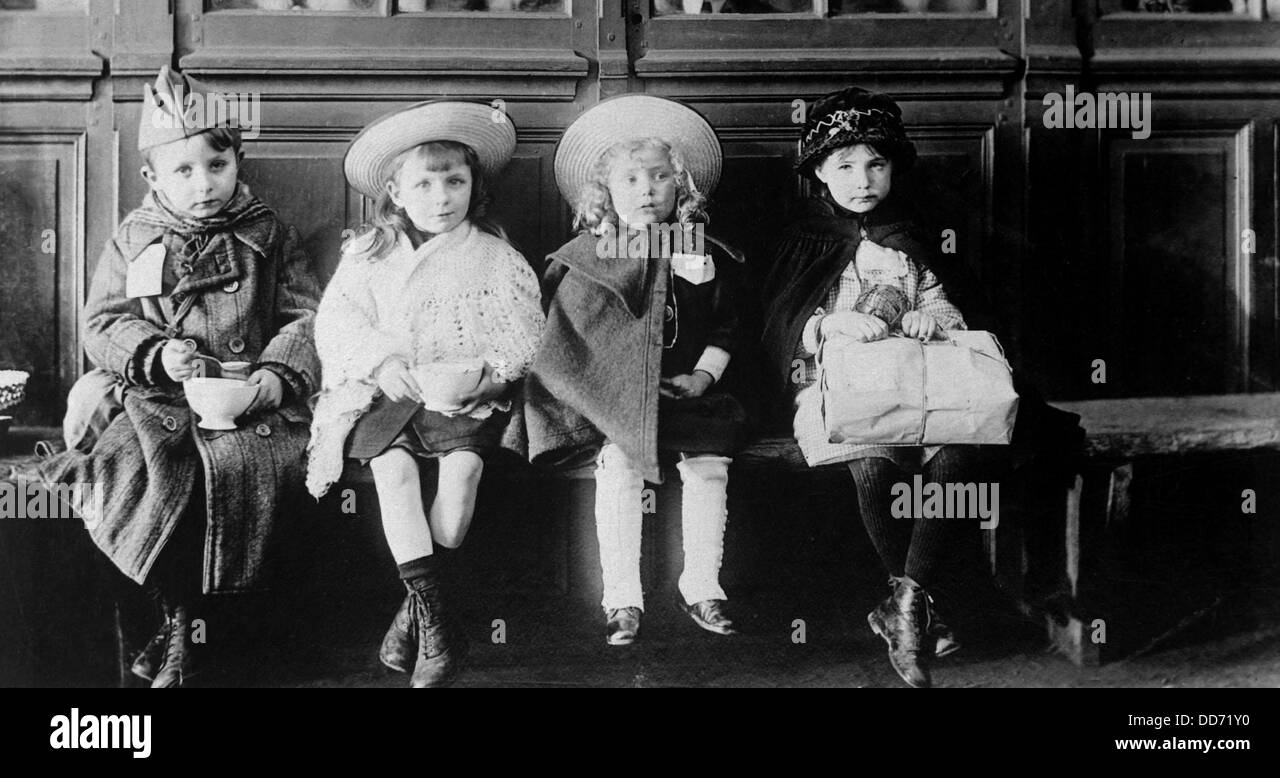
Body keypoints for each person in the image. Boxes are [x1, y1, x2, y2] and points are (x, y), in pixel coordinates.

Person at [38, 66, 321, 687]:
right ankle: (176, 624)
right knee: (137, 468)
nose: (203, 185)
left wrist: (273, 378)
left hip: (247, 403)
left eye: (217, 167)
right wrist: (156, 354)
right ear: (152, 178)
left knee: (236, 471)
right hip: (158, 397)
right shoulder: (135, 239)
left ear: (237, 163)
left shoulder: (268, 234)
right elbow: (102, 322)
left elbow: (306, 317)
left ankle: (200, 633)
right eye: (184, 172)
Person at [306, 100, 543, 688]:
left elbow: (527, 333)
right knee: (393, 473)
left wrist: (495, 376)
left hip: (461, 399)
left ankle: (409, 612)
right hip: (388, 397)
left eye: (455, 182)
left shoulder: (493, 255)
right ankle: (437, 625)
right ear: (395, 189)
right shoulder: (369, 254)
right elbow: (335, 322)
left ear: (473, 186)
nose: (442, 198)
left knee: (462, 476)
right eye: (425, 184)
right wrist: (380, 362)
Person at [761, 87, 986, 689]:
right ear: (818, 173)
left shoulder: (911, 240)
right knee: (869, 463)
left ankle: (904, 606)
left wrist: (929, 319)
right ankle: (920, 609)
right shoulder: (803, 240)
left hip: (918, 386)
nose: (862, 180)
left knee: (956, 457)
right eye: (845, 166)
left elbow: (947, 305)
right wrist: (825, 324)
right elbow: (780, 327)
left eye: (876, 164)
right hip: (832, 388)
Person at [510, 95, 748, 644]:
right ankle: (622, 598)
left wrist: (704, 376)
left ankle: (703, 586)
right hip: (613, 398)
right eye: (632, 179)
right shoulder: (589, 254)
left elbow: (727, 325)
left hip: (689, 393)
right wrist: (606, 390)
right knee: (617, 468)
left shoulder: (699, 251)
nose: (647, 190)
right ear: (606, 193)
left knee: (709, 463)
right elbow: (571, 337)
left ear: (680, 187)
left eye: (661, 177)